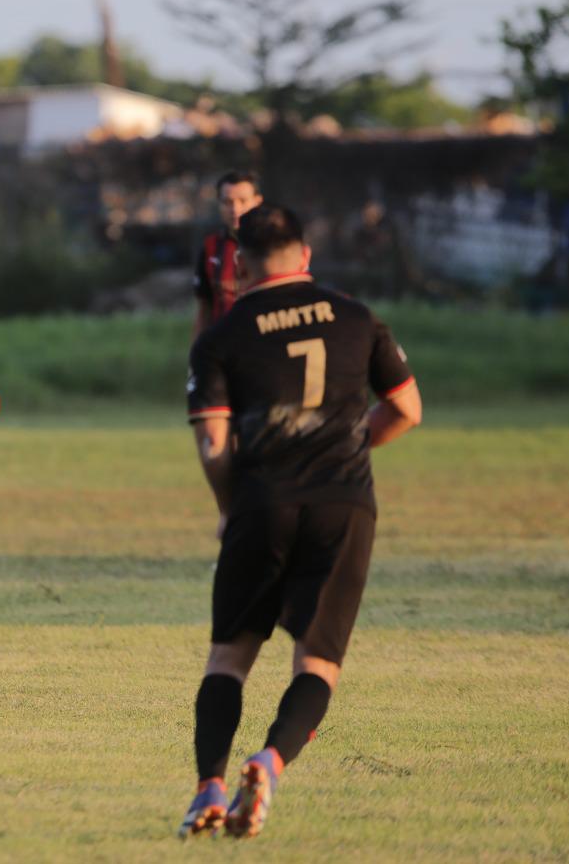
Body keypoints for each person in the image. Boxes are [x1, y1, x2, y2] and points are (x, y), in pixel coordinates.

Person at [177, 204, 422, 838]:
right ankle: (271, 760)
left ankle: (208, 787)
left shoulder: (222, 337)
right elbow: (406, 410)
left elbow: (212, 444)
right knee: (316, 663)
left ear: (240, 261)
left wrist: (234, 510)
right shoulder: (356, 317)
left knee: (230, 658)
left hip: (262, 502)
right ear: (305, 253)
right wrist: (342, 453)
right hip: (344, 505)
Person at [193, 170, 264, 336]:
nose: (235, 209)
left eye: (243, 201)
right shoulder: (211, 247)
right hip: (223, 348)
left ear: (258, 202)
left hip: (263, 347)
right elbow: (205, 306)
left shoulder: (274, 245)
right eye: (227, 202)